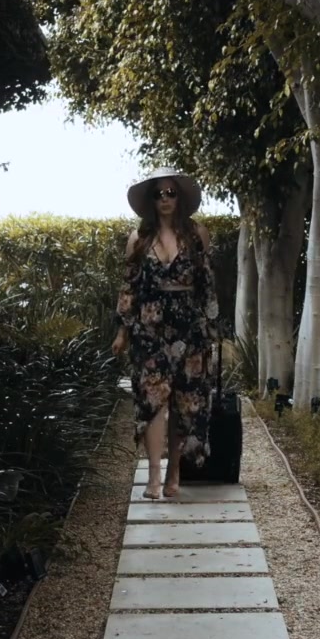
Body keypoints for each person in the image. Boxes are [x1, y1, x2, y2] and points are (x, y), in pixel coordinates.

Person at [112, 168, 219, 500]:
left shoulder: (197, 234)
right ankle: (154, 476)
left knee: (184, 403)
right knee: (153, 401)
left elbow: (207, 286)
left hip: (190, 330)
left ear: (180, 198)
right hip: (149, 330)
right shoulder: (139, 238)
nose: (165, 199)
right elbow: (129, 287)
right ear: (150, 201)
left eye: (171, 193)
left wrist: (212, 330)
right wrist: (122, 331)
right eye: (158, 194)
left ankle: (174, 471)